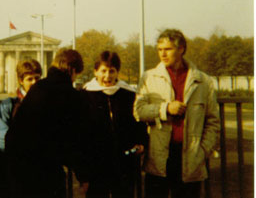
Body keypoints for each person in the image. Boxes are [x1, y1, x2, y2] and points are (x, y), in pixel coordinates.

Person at [134, 29, 219, 198]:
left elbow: (213, 122)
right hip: (159, 158)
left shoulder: (203, 81)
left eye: (168, 49)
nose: (162, 54)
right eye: (159, 49)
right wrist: (164, 109)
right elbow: (138, 111)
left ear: (181, 49)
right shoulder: (149, 78)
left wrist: (202, 151)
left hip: (190, 157)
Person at [5, 48, 92, 198]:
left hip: (19, 168)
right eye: (76, 74)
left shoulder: (37, 88)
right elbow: (75, 140)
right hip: (46, 171)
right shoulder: (70, 95)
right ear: (71, 70)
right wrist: (84, 175)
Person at [83, 50, 147, 198]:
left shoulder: (128, 94)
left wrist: (141, 142)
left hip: (124, 162)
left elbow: (138, 122)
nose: (107, 76)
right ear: (95, 72)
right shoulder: (85, 95)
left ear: (117, 72)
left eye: (112, 71)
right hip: (97, 164)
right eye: (103, 71)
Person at [0, 59, 42, 198]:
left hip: (39, 171)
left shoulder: (48, 104)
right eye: (29, 79)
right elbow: (2, 140)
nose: (34, 82)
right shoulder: (9, 105)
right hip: (14, 170)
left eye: (37, 78)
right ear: (21, 81)